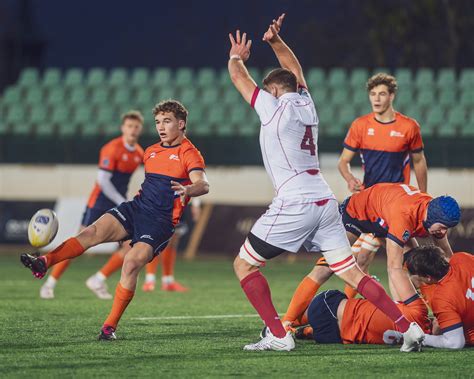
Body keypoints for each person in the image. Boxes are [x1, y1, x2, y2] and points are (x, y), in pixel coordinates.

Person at [228, 13, 425, 352]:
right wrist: (275, 42)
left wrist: (236, 56)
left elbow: (238, 77)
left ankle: (278, 333)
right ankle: (408, 327)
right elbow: (296, 70)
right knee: (353, 274)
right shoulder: (307, 103)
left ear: (274, 90)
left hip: (296, 199)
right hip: (324, 199)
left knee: (244, 264)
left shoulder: (273, 109)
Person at [21, 100, 209, 340]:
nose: (161, 127)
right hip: (136, 207)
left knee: (130, 262)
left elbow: (203, 183)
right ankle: (44, 262)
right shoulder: (150, 151)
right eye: (158, 122)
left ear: (181, 124)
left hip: (160, 222)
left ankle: (109, 327)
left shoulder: (189, 152)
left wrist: (190, 191)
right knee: (89, 233)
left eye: (167, 121)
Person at [282, 183, 461, 331]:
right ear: (431, 216)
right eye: (443, 227)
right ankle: (287, 322)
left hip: (383, 215)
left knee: (421, 265)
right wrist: (402, 319)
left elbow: (449, 258)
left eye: (448, 228)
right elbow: (393, 268)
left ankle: (438, 315)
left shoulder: (435, 215)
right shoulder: (404, 217)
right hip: (356, 213)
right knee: (325, 268)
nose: (444, 232)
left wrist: (461, 288)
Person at [337, 72, 428, 298]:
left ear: (392, 96)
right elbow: (343, 162)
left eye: (382, 94)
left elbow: (419, 161)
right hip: (370, 205)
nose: (376, 98)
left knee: (414, 263)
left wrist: (423, 196)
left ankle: (422, 307)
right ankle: (350, 308)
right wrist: (349, 179)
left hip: (397, 207)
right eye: (373, 94)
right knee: (361, 259)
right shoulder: (360, 126)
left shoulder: (409, 127)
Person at [39, 111, 145, 300]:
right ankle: (49, 283)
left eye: (136, 126)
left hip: (118, 204)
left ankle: (98, 278)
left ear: (140, 129)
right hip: (99, 202)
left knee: (131, 245)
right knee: (79, 243)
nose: (133, 130)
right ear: (123, 128)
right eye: (129, 126)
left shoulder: (139, 153)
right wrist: (122, 200)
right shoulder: (111, 148)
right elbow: (103, 181)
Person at [400, 246, 474, 349]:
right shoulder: (461, 257)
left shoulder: (442, 299)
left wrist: (421, 338)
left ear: (428, 277)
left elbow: (455, 343)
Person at [142, 198, 201, 292]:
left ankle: (167, 281)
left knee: (173, 241)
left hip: (179, 201)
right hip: (163, 198)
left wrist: (196, 203)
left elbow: (195, 183)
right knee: (156, 239)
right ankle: (150, 280)